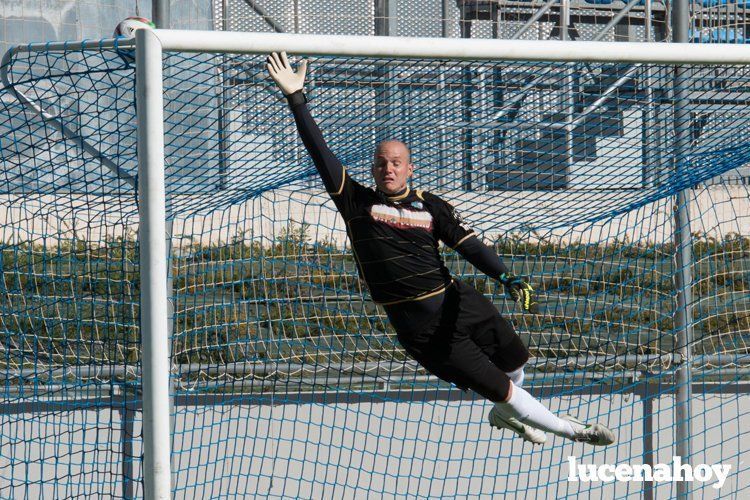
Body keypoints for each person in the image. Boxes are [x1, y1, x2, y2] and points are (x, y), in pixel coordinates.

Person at [266, 52, 615, 446]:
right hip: (420, 328)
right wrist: (296, 98)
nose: (388, 169)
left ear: (410, 167)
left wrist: (506, 275)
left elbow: (468, 245)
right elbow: (321, 152)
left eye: (396, 162)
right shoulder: (355, 201)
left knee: (516, 364)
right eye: (381, 163)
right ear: (373, 168)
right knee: (504, 389)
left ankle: (508, 417)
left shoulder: (430, 205)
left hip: (459, 301)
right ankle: (576, 431)